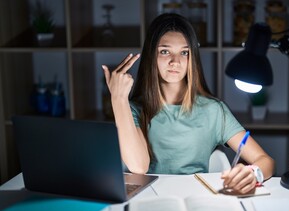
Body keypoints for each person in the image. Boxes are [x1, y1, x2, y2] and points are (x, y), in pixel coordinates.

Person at [102, 13, 274, 194]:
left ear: (192, 58)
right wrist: (118, 98)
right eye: (165, 51)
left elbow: (266, 161)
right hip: (145, 203)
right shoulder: (131, 110)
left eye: (184, 52)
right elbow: (139, 166)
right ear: (151, 56)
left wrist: (252, 173)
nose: (175, 62)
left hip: (196, 201)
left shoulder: (214, 111)